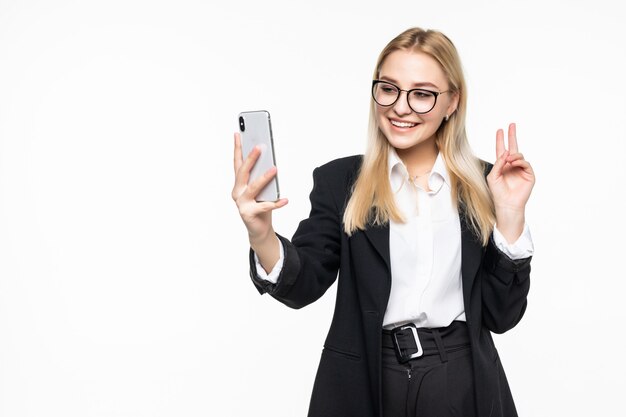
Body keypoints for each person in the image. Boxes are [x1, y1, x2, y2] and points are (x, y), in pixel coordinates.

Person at [232, 27, 534, 417]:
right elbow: (303, 285)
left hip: (461, 380)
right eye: (388, 88)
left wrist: (509, 217)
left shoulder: (487, 183)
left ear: (452, 102)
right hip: (368, 379)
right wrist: (261, 235)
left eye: (422, 94)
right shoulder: (341, 181)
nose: (401, 107)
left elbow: (502, 315)